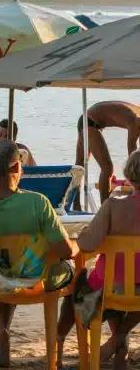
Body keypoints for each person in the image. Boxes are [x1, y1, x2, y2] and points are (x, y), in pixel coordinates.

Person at [0, 140, 77, 368]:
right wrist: (77, 247)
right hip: (37, 281)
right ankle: (58, 339)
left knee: (6, 264)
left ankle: (3, 329)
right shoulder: (37, 203)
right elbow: (65, 250)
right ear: (17, 168)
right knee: (78, 276)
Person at [57, 149, 140, 370]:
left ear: (129, 176)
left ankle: (114, 340)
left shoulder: (114, 205)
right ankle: (119, 340)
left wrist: (86, 231)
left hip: (109, 291)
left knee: (80, 285)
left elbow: (86, 244)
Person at [76, 101, 140, 207]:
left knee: (79, 167)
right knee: (107, 168)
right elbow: (132, 152)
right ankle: (105, 207)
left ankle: (75, 204)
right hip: (90, 122)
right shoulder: (135, 122)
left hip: (88, 119)